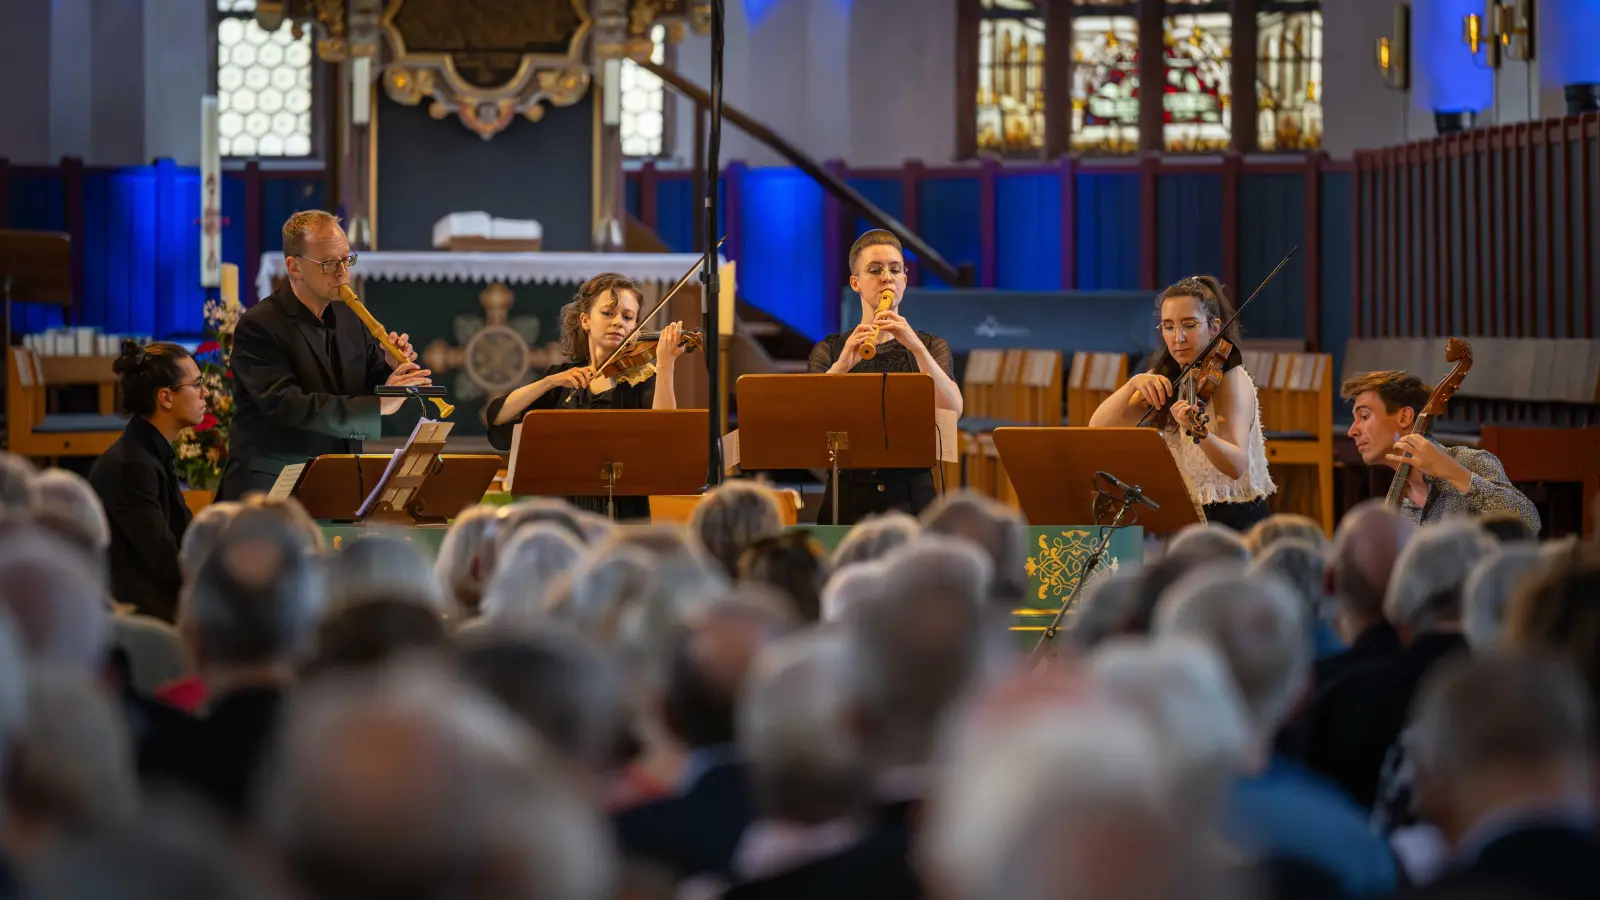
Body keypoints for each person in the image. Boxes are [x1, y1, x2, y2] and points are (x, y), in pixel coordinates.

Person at [217, 210, 433, 501]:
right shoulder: (260, 325)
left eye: (347, 260)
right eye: (329, 263)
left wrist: (390, 371)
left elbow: (364, 389)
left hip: (337, 481)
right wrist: (380, 404)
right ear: (294, 267)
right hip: (274, 490)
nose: (343, 273)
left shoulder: (350, 318)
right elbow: (288, 405)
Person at [485, 272, 687, 521]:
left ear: (635, 328)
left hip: (624, 515)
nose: (618, 322)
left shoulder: (641, 380)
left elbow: (666, 434)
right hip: (565, 516)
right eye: (607, 313)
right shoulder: (562, 378)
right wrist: (549, 382)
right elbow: (498, 417)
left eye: (627, 317)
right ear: (585, 320)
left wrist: (666, 364)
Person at [1089, 275, 1275, 532]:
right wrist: (1132, 385)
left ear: (1213, 326)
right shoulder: (1169, 372)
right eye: (1168, 326)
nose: (1177, 338)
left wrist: (1198, 431)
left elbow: (1235, 465)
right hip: (1183, 513)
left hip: (1230, 519)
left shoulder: (1229, 376)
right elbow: (1099, 429)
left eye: (1189, 325)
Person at [807, 229, 961, 525]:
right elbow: (809, 415)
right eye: (875, 270)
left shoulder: (930, 346)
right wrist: (841, 366)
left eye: (895, 269)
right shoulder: (830, 349)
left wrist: (916, 348)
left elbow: (952, 409)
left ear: (904, 279)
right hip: (848, 495)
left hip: (912, 497)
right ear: (856, 283)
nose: (887, 277)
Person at [87, 340, 211, 621]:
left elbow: (181, 538)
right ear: (166, 398)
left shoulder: (148, 451)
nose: (206, 393)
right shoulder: (132, 465)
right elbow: (165, 565)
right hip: (142, 616)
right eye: (197, 384)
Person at [1341, 369, 1540, 531]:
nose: (1352, 431)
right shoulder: (1396, 504)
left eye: (1364, 416)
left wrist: (1452, 472)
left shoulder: (1469, 461)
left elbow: (1529, 523)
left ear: (1404, 418)